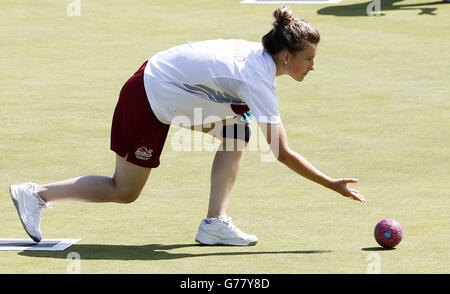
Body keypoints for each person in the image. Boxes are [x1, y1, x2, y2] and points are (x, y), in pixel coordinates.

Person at [9, 6, 365, 247]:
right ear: (286, 57)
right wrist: (331, 184)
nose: (313, 67)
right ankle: (36, 194)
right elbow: (282, 152)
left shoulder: (259, 60)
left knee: (238, 128)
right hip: (148, 96)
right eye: (309, 59)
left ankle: (214, 224)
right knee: (123, 190)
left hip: (164, 88)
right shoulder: (257, 78)